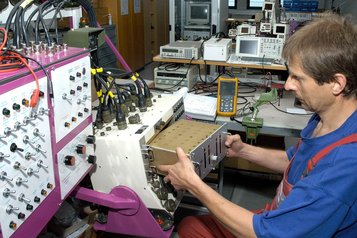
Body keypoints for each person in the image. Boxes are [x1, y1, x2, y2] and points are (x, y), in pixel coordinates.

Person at [157, 14, 357, 237]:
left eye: (298, 78)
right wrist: (245, 151)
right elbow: (296, 162)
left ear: (337, 84)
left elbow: (268, 233)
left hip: (278, 231)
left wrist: (194, 185)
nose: (288, 85)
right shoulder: (326, 118)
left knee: (191, 229)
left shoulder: (343, 164)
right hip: (280, 216)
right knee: (191, 225)